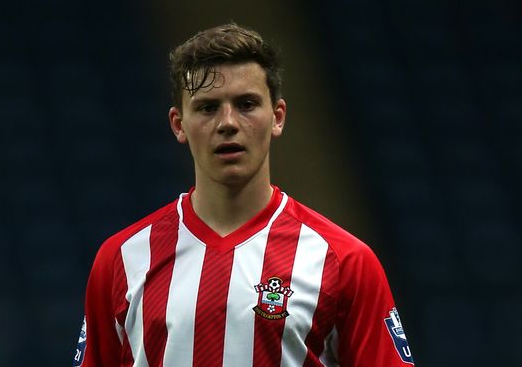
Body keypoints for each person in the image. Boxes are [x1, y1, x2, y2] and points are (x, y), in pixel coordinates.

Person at [73, 23, 414, 366]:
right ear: (179, 124)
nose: (228, 123)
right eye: (207, 108)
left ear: (277, 117)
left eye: (246, 104)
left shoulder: (345, 262)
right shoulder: (122, 260)